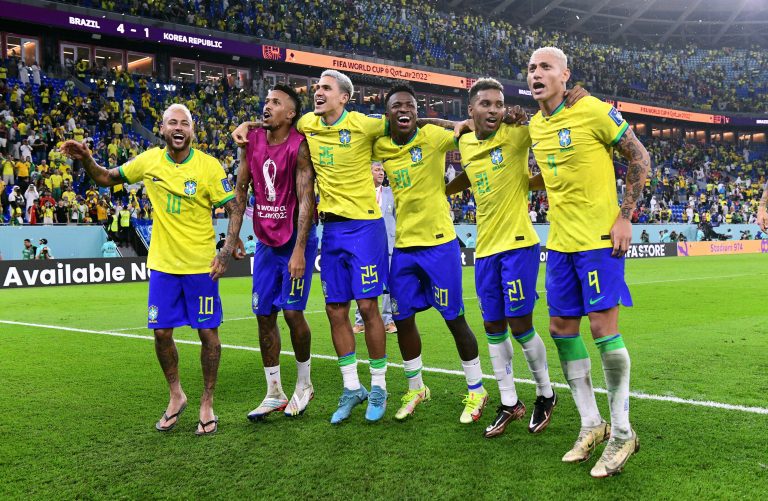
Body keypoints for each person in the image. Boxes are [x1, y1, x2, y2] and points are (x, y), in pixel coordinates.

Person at [61, 103, 239, 436]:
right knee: (161, 334)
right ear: (162, 128)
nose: (178, 127)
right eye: (172, 122)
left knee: (208, 335)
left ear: (192, 129)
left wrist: (227, 250)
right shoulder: (149, 161)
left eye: (184, 123)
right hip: (162, 266)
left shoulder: (209, 166)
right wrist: (86, 158)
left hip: (201, 267)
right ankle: (176, 395)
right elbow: (105, 177)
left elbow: (234, 207)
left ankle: (207, 402)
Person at [234, 70, 390, 424]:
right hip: (332, 228)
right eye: (317, 86)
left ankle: (379, 386)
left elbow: (404, 120)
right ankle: (352, 388)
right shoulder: (308, 123)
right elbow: (274, 122)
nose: (318, 91)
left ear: (344, 97)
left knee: (368, 306)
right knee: (335, 309)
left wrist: (458, 125)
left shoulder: (364, 124)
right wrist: (246, 124)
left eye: (326, 88)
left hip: (365, 226)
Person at [527, 46, 650, 477]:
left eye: (545, 66)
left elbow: (640, 157)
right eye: (531, 67)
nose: (536, 73)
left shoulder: (594, 110)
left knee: (602, 329)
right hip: (560, 244)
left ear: (565, 75)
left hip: (600, 239)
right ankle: (591, 423)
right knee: (561, 329)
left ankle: (623, 432)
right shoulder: (534, 125)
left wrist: (625, 215)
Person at [368, 84, 492, 424]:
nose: (404, 110)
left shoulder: (434, 137)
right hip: (404, 249)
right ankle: (416, 388)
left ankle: (476, 389)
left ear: (418, 112)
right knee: (402, 318)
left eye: (410, 106)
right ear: (387, 114)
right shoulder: (381, 145)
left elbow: (470, 128)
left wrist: (440, 122)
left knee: (454, 318)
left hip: (440, 245)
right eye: (397, 106)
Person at [449, 78, 562, 437]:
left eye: (499, 104)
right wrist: (444, 190)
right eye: (486, 104)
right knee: (493, 327)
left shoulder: (516, 135)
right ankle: (510, 402)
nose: (495, 110)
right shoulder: (465, 141)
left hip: (518, 245)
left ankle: (546, 393)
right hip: (485, 251)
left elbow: (549, 123)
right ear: (471, 110)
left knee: (520, 324)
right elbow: (470, 173)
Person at [215, 84, 319, 421]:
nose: (267, 105)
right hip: (265, 241)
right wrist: (230, 242)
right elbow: (240, 192)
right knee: (263, 314)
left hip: (296, 238)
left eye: (276, 102)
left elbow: (306, 199)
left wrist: (300, 250)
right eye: (266, 101)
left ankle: (304, 385)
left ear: (291, 114)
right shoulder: (251, 141)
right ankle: (274, 392)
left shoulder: (299, 146)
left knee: (292, 313)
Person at [353, 162, 396, 335]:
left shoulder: (391, 193)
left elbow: (397, 217)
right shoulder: (361, 193)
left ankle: (388, 320)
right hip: (365, 245)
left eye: (382, 170)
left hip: (388, 245)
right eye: (377, 170)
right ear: (368, 172)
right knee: (363, 282)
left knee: (388, 284)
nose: (381, 173)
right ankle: (360, 321)